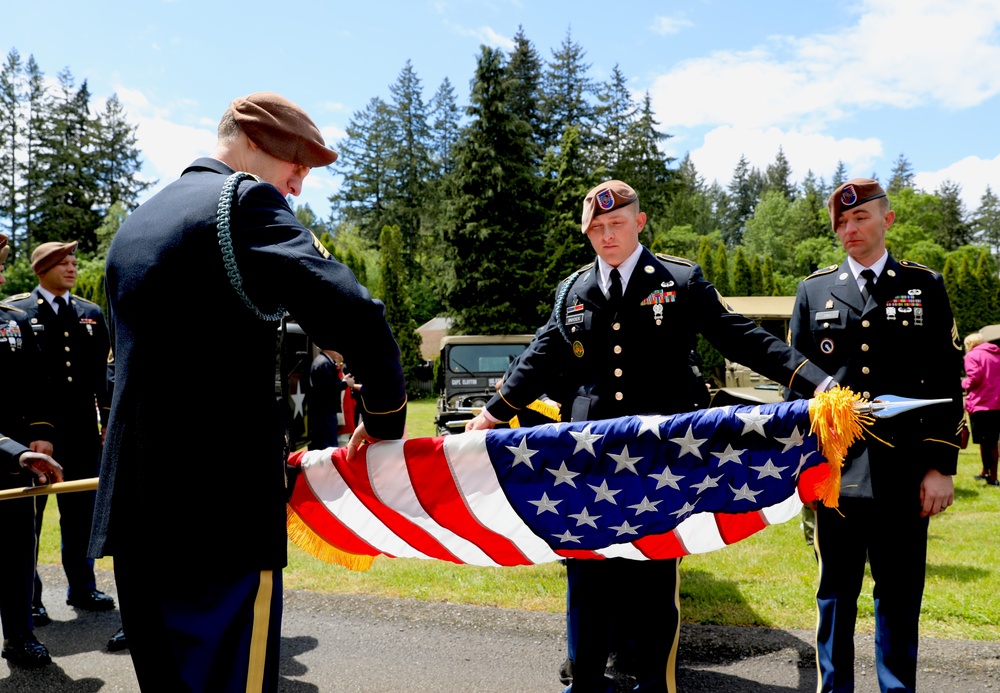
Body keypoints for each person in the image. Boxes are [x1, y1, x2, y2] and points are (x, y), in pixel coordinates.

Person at [89, 91, 407, 692]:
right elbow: (357, 315)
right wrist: (387, 417)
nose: (298, 186)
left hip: (139, 518)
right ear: (258, 142)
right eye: (298, 167)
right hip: (219, 515)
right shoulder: (240, 201)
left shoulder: (139, 221)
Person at [466, 180, 833, 693]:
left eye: (616, 224)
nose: (606, 235)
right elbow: (540, 357)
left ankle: (652, 685)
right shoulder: (572, 290)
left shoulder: (678, 280)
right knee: (586, 570)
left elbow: (738, 335)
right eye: (596, 227)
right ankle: (587, 681)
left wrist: (820, 384)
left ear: (640, 223)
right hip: (588, 458)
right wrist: (490, 414)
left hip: (659, 458)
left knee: (653, 574)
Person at [788, 178, 965, 692]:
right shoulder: (814, 290)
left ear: (887, 220)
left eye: (859, 218)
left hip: (906, 473)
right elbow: (794, 389)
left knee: (900, 594)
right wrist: (802, 465)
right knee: (835, 596)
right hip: (835, 473)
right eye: (840, 222)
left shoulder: (923, 286)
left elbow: (947, 380)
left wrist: (940, 467)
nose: (849, 229)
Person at [6, 241, 114, 622]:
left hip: (84, 432)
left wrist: (107, 419)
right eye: (63, 262)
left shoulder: (90, 313)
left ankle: (83, 588)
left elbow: (103, 377)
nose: (72, 268)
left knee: (81, 515)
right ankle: (29, 598)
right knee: (30, 520)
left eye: (74, 262)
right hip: (34, 437)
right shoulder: (18, 312)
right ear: (42, 268)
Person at [0, 231, 63, 668]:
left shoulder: (13, 319)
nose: (1, 271)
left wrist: (39, 433)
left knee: (17, 551)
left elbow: (37, 383)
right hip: (8, 453)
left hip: (15, 459)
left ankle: (20, 635)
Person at [963, 331, 1000, 486]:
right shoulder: (997, 355)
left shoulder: (972, 356)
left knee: (986, 442)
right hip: (997, 403)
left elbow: (974, 378)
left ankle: (993, 478)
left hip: (982, 404)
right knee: (992, 441)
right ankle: (986, 472)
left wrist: (962, 384)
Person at [307, 349, 347, 450]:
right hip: (325, 410)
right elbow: (328, 388)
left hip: (322, 410)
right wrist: (345, 383)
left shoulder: (321, 361)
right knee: (329, 445)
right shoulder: (324, 363)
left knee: (322, 443)